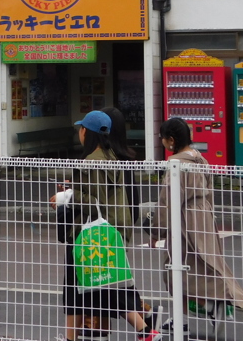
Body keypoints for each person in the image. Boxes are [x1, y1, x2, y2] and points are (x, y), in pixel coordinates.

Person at [50, 111, 158, 341]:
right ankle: (144, 331)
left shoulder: (91, 162)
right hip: (113, 232)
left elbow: (94, 202)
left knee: (77, 285)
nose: (79, 132)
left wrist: (66, 197)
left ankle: (143, 331)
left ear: (86, 132)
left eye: (81, 128)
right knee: (106, 286)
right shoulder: (112, 157)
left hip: (88, 235)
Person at [154, 117, 243, 328]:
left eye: (163, 138)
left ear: (171, 140)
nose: (162, 142)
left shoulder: (177, 165)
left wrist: (157, 230)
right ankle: (211, 305)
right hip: (203, 218)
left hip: (184, 222)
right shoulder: (200, 159)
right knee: (208, 266)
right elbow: (209, 191)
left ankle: (197, 312)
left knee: (174, 269)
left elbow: (168, 200)